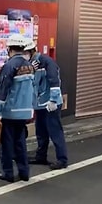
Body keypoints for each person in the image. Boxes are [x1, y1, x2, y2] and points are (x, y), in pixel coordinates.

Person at [0, 34, 35, 182]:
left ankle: (8, 173)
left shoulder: (9, 66)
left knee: (7, 144)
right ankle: (24, 173)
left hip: (10, 113)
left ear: (9, 49)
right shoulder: (29, 65)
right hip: (25, 112)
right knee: (20, 143)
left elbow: (1, 91)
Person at [24, 40, 68, 170]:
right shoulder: (31, 64)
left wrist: (54, 100)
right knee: (41, 131)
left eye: (25, 52)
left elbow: (55, 81)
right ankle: (41, 156)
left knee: (55, 131)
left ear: (32, 51)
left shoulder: (47, 62)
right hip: (39, 104)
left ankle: (62, 159)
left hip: (50, 104)